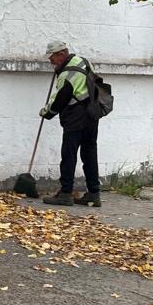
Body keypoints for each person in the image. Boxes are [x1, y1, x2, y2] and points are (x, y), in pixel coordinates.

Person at [39, 39, 102, 208]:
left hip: (76, 117)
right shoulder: (83, 61)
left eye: (52, 58)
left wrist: (46, 112)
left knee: (69, 155)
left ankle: (65, 194)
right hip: (92, 114)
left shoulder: (67, 75)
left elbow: (61, 99)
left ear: (61, 54)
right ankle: (93, 195)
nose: (51, 62)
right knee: (89, 154)